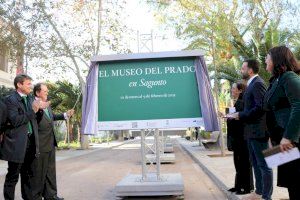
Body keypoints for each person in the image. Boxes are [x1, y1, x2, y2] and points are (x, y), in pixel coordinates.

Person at [228, 59, 273, 200]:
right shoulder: (251, 84)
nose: (241, 70)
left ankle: (266, 196)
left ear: (250, 70)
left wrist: (239, 115)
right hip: (250, 132)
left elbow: (261, 107)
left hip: (258, 131)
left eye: (243, 68)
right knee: (255, 163)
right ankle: (259, 193)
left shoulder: (258, 83)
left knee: (264, 165)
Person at [0, 74, 48, 200]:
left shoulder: (31, 98)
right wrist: (33, 110)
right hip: (16, 144)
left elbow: (35, 120)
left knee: (28, 176)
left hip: (31, 143)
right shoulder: (10, 100)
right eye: (28, 84)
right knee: (13, 176)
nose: (31, 86)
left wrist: (40, 110)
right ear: (19, 85)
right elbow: (15, 120)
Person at [264, 46, 300, 200]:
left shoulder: (289, 77)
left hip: (292, 141)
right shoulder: (276, 79)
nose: (265, 60)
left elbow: (299, 105)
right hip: (282, 140)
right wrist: (272, 139)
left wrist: (288, 136)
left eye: (267, 57)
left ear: (276, 59)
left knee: (296, 183)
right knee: (291, 183)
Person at [32, 83, 74, 200]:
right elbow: (33, 120)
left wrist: (65, 114)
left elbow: (51, 117)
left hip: (50, 143)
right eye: (45, 91)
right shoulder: (33, 104)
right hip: (39, 145)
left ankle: (51, 195)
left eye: (47, 91)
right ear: (37, 93)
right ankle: (37, 197)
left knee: (50, 172)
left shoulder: (47, 104)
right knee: (39, 173)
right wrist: (39, 109)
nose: (47, 93)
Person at [226, 82, 253, 195]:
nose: (231, 90)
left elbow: (241, 120)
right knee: (238, 162)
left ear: (240, 90)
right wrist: (227, 116)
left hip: (242, 138)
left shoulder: (242, 103)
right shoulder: (237, 102)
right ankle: (238, 186)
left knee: (244, 163)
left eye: (233, 88)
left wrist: (229, 118)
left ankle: (246, 187)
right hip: (237, 138)